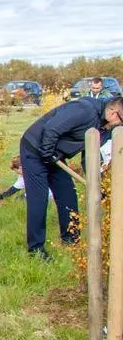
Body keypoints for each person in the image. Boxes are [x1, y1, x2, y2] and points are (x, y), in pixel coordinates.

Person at [19, 95, 123, 259]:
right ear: (113, 112)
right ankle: (36, 249)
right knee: (39, 200)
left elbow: (89, 156)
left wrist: (98, 183)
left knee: (68, 196)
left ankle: (71, 241)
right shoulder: (83, 110)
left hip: (55, 155)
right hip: (35, 149)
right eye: (121, 121)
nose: (120, 125)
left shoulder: (102, 126)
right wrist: (47, 155)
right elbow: (51, 128)